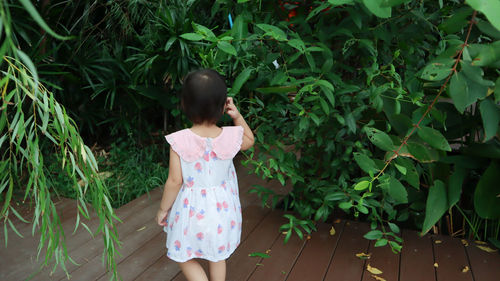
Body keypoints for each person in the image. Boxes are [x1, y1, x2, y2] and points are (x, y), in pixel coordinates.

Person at [156, 69, 254, 281]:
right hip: (222, 211)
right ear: (223, 106)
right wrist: (237, 115)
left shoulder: (180, 140)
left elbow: (174, 181)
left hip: (190, 212)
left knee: (183, 254)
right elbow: (249, 140)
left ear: (184, 105)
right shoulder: (229, 136)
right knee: (217, 256)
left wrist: (163, 209)